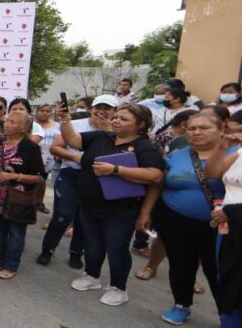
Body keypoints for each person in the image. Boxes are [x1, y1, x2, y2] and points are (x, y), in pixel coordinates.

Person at [61, 103, 165, 306]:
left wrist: (115, 169)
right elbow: (72, 140)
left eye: (123, 119)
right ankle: (92, 277)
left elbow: (155, 175)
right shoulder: (102, 136)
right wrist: (65, 120)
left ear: (141, 124)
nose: (116, 121)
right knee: (92, 242)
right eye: (116, 117)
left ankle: (118, 287)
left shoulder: (145, 147)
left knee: (116, 247)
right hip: (89, 203)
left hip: (120, 209)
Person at [136, 113, 227, 325]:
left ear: (221, 129)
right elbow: (158, 184)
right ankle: (181, 304)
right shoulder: (176, 155)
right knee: (180, 264)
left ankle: (228, 314)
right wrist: (146, 212)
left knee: (218, 269)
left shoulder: (236, 154)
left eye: (204, 128)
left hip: (220, 224)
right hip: (175, 221)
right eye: (192, 128)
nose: (196, 132)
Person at [197, 129, 242, 328]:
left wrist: (234, 212)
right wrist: (223, 146)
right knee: (228, 278)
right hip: (230, 228)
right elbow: (213, 173)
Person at [36, 95, 117, 267]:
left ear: (114, 111)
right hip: (71, 175)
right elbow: (56, 147)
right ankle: (47, 249)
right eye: (98, 107)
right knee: (63, 214)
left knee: (84, 218)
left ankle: (76, 252)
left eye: (107, 108)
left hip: (97, 179)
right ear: (91, 109)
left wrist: (108, 130)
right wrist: (76, 157)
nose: (101, 112)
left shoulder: (118, 131)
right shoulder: (77, 125)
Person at [0, 112, 46, 279]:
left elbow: (40, 177)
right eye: (6, 121)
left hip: (19, 198)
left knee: (16, 232)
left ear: (24, 127)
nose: (7, 125)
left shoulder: (30, 147)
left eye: (12, 122)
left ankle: (11, 265)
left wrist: (15, 176)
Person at [34, 103, 61, 212]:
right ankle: (31, 202)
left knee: (43, 180)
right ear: (37, 112)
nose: (45, 113)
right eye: (42, 110)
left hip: (52, 157)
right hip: (35, 155)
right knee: (35, 179)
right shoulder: (32, 124)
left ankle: (39, 202)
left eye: (47, 111)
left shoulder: (58, 125)